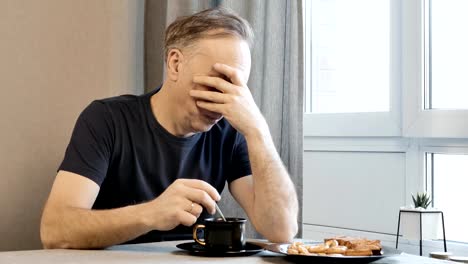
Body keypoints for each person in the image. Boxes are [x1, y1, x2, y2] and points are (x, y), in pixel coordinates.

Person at [40, 7, 298, 249]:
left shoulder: (230, 132)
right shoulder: (106, 119)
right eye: (219, 82)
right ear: (175, 64)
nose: (225, 101)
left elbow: (281, 231)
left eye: (236, 87)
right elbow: (54, 231)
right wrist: (151, 213)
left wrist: (258, 130)